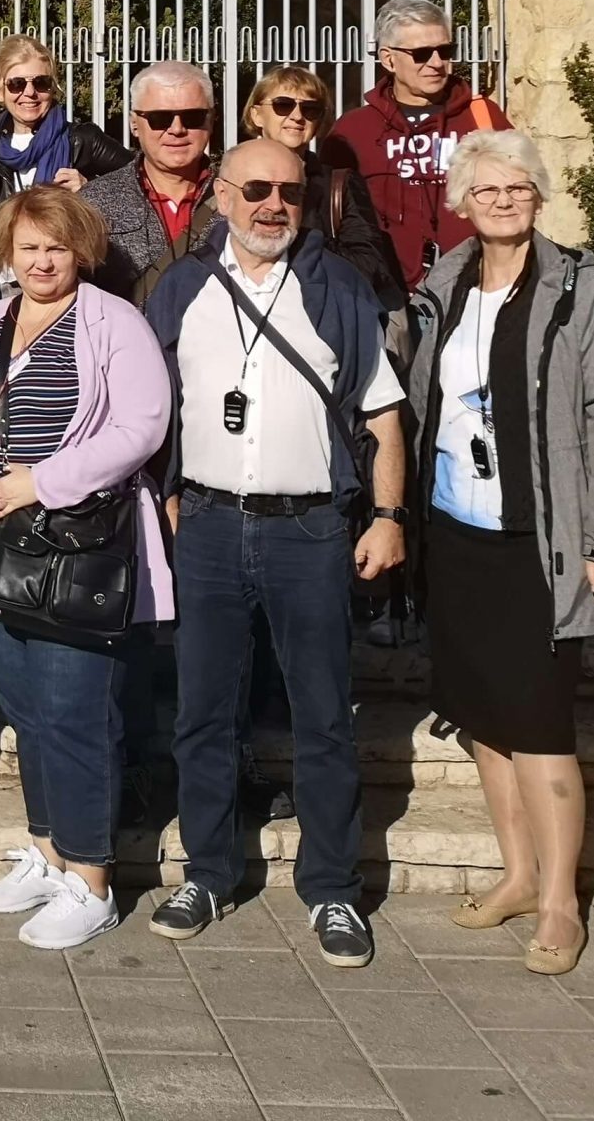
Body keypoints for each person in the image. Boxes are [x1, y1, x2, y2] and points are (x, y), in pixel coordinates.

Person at [141, 138, 407, 969]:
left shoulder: (336, 286)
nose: (273, 205)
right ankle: (208, 872)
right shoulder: (181, 289)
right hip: (210, 527)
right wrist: (168, 496)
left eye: (290, 191)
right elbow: (153, 408)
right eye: (255, 188)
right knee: (203, 714)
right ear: (220, 196)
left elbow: (383, 413)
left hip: (310, 529)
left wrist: (388, 516)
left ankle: (333, 888)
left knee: (323, 716)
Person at [408, 131, 594, 977]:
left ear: (539, 196)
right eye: (487, 190)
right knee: (484, 717)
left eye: (518, 187)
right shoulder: (443, 284)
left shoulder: (579, 287)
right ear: (462, 202)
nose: (504, 201)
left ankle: (561, 903)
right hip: (457, 531)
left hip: (541, 541)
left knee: (542, 725)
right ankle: (517, 877)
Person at [0, 188, 171, 950]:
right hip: (1, 544)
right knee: (26, 706)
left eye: (57, 247)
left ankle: (92, 878)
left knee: (77, 711)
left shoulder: (115, 322)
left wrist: (40, 482)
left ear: (82, 252)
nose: (42, 262)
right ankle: (48, 851)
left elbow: (142, 426)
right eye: (29, 247)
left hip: (80, 548)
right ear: (6, 252)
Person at [323, 0, 512, 290]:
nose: (437, 63)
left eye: (445, 51)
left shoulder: (484, 117)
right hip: (386, 295)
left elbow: (518, 196)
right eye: (421, 54)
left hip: (474, 288)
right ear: (389, 59)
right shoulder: (353, 130)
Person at [242, 65, 407, 313]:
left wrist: (298, 239)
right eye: (283, 105)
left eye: (310, 109)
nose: (297, 116)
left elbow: (368, 266)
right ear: (256, 115)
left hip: (324, 317)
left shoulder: (338, 185)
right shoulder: (232, 179)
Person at [81, 61, 219, 304]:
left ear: (211, 120)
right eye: (159, 118)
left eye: (193, 117)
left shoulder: (245, 197)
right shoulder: (92, 203)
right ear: (134, 124)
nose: (177, 129)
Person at [0, 35, 131, 196]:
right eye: (17, 84)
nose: (30, 92)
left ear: (53, 88)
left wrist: (90, 189)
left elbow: (142, 182)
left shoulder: (82, 141)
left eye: (41, 82)